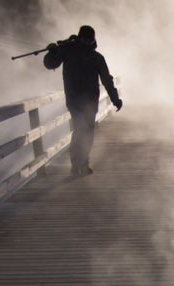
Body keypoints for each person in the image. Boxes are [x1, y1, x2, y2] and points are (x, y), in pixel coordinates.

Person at [43, 25, 122, 176]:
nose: (87, 42)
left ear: (92, 40)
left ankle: (83, 162)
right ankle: (76, 164)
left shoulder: (96, 57)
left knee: (88, 131)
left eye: (89, 39)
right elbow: (50, 64)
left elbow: (107, 79)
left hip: (90, 102)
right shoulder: (67, 51)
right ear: (81, 38)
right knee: (81, 129)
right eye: (85, 39)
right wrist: (52, 52)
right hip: (74, 101)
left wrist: (115, 98)